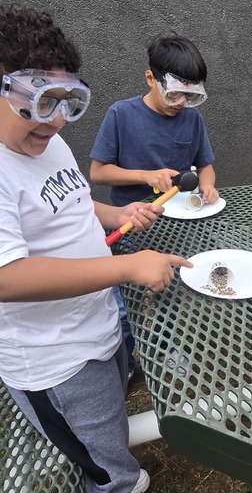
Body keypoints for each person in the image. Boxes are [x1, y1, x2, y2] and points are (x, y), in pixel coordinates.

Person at [0, 5, 191, 493]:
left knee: (107, 433)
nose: (55, 119)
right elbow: (7, 277)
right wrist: (127, 271)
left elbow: (73, 203)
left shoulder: (43, 144)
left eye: (66, 101)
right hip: (55, 361)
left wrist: (119, 209)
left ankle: (117, 472)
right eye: (37, 100)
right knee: (102, 466)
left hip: (93, 329)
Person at [89, 34, 218, 377]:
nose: (181, 102)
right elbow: (98, 171)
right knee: (125, 303)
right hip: (130, 226)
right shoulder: (121, 114)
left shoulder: (192, 119)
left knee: (170, 293)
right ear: (150, 78)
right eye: (174, 92)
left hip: (179, 229)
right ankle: (127, 361)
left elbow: (205, 164)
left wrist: (208, 185)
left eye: (191, 95)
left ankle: (164, 350)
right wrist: (145, 176)